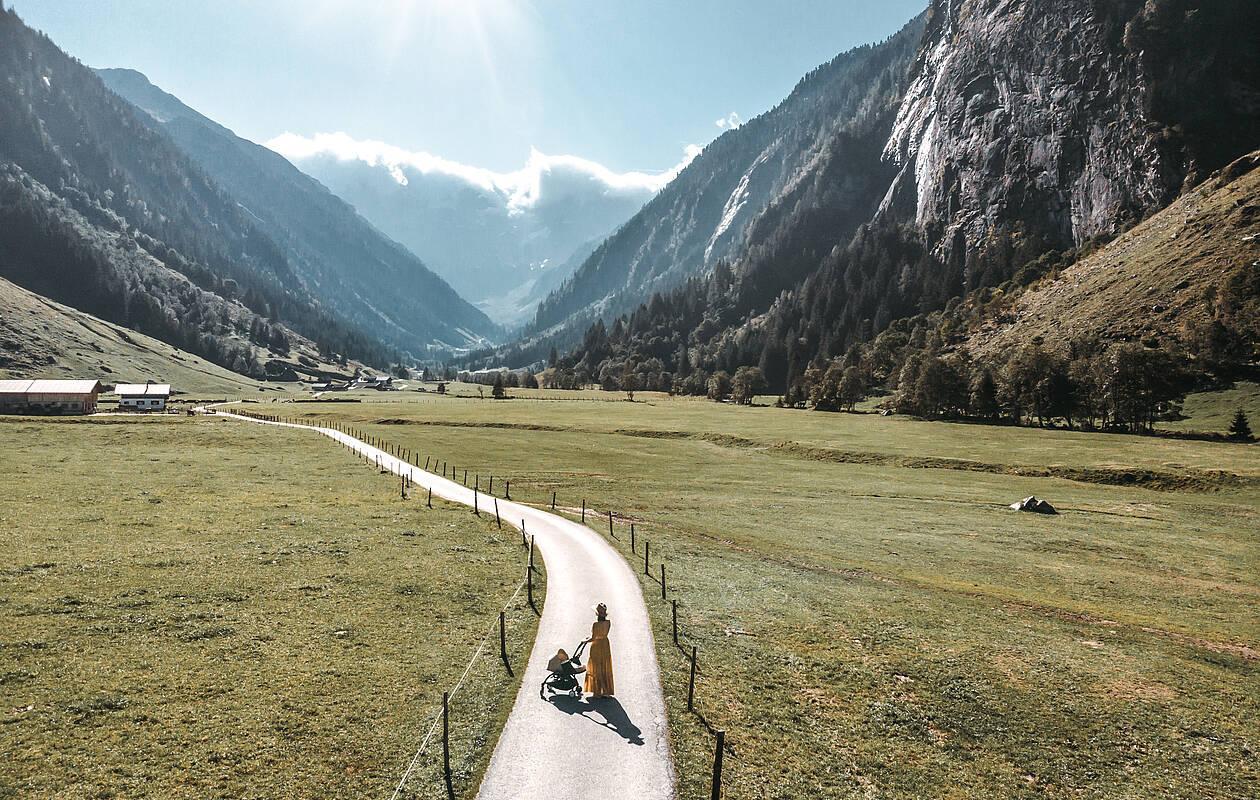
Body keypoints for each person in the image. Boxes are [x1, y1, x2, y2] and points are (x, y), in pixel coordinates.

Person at [584, 603, 614, 698]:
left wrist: (585, 641)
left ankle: (597, 691)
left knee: (596, 667)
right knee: (604, 665)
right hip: (605, 644)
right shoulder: (608, 623)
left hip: (596, 646)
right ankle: (606, 691)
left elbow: (593, 638)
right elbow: (602, 634)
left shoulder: (595, 625)